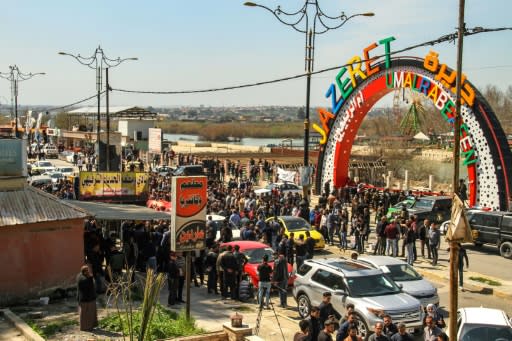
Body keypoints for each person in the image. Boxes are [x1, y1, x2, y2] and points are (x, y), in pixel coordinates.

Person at [76, 264, 98, 331]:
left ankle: (85, 326)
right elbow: (91, 287)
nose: (89, 272)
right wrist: (91, 278)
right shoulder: (86, 279)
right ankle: (88, 327)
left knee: (83, 314)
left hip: (82, 298)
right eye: (88, 271)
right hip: (88, 299)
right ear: (85, 272)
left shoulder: (79, 276)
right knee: (88, 314)